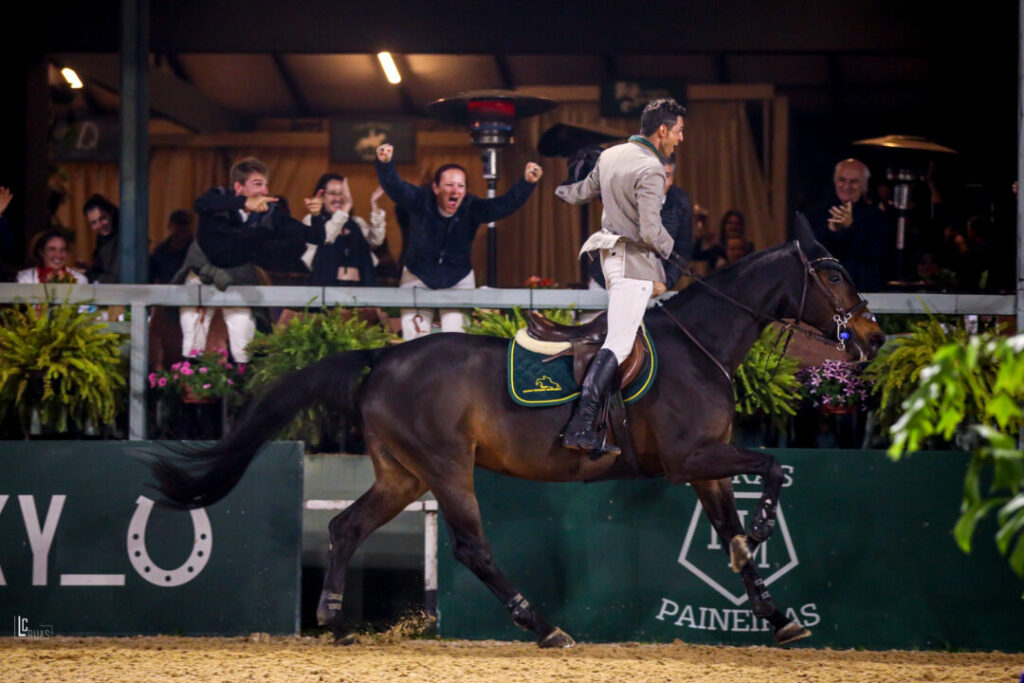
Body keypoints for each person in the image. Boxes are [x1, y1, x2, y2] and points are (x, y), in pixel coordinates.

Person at [555, 97, 686, 456]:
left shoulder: (611, 154)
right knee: (620, 342)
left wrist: (562, 187)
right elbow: (649, 228)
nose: (680, 138)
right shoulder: (652, 167)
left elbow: (580, 193)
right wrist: (672, 252)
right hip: (633, 262)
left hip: (610, 257)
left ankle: (612, 418)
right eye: (678, 131)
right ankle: (581, 425)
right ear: (662, 130)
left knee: (627, 339)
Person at [375, 143, 543, 340]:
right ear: (436, 188)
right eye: (449, 185)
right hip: (417, 276)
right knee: (414, 340)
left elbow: (503, 205)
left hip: (458, 279)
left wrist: (527, 183)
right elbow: (396, 188)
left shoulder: (471, 207)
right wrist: (385, 164)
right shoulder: (420, 200)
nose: (455, 190)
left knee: (456, 341)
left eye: (461, 185)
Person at [176, 157, 325, 363]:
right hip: (202, 275)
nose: (264, 191)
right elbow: (201, 204)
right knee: (192, 342)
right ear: (239, 187)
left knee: (243, 344)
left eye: (266, 185)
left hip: (238, 279)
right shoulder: (219, 198)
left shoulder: (269, 214)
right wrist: (244, 202)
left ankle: (241, 391)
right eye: (257, 184)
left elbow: (316, 237)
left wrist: (317, 215)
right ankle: (191, 390)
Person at [588, 157, 693, 290]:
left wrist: (666, 283)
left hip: (654, 284)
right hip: (609, 280)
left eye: (665, 176)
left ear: (671, 179)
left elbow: (682, 249)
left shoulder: (679, 201)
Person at [807, 158, 891, 291]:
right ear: (835, 181)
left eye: (854, 182)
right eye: (842, 180)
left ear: (864, 185)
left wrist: (851, 228)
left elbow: (877, 253)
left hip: (863, 293)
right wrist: (831, 229)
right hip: (822, 293)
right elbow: (807, 252)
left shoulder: (877, 217)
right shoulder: (816, 214)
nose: (846, 186)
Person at [300, 173, 384, 286]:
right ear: (322, 197)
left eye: (342, 194)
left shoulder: (357, 223)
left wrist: (374, 205)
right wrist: (345, 209)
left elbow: (376, 240)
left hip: (359, 289)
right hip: (326, 289)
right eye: (332, 193)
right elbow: (326, 237)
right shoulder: (311, 221)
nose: (338, 198)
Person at [17, 228, 87, 284]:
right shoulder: (25, 278)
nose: (58, 255)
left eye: (62, 250)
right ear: (41, 252)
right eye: (52, 249)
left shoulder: (79, 280)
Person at [149, 210, 194, 284]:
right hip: (166, 293)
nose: (182, 229)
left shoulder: (198, 252)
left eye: (185, 225)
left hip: (191, 293)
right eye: (178, 225)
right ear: (169, 226)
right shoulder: (160, 252)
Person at [82, 194, 119, 283]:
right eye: (93, 223)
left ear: (110, 213)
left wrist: (88, 275)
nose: (99, 226)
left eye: (102, 218)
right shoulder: (102, 238)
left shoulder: (124, 237)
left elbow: (113, 277)